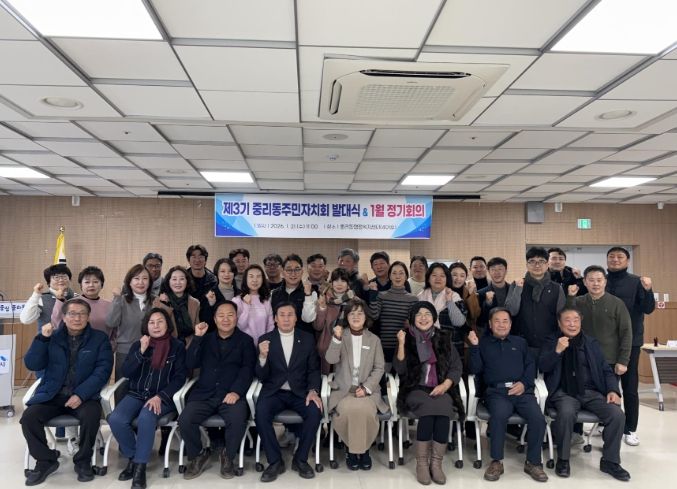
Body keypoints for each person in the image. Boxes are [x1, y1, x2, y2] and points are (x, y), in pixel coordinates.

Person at [21, 298, 113, 486]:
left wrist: (81, 394)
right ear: (63, 317)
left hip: (84, 397)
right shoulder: (51, 337)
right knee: (29, 417)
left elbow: (102, 372)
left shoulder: (99, 339)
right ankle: (45, 460)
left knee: (92, 415)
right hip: (53, 395)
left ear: (88, 317)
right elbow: (32, 364)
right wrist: (42, 339)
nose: (77, 318)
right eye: (72, 314)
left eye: (82, 314)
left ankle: (83, 461)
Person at [539, 308, 630, 481]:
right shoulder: (551, 341)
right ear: (559, 323)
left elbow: (605, 369)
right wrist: (557, 350)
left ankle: (610, 461)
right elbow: (543, 366)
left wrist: (613, 390)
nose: (572, 324)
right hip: (564, 392)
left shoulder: (590, 342)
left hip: (590, 391)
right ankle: (563, 459)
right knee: (566, 413)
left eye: (576, 320)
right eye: (567, 320)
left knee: (617, 414)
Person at [108, 308, 187, 489]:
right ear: (146, 326)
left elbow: (180, 378)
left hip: (162, 397)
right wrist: (141, 352)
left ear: (167, 324)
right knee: (115, 419)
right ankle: (134, 458)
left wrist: (160, 396)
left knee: (146, 416)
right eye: (152, 322)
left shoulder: (177, 346)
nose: (156, 326)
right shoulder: (138, 345)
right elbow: (126, 372)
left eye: (160, 322)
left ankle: (139, 470)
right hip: (136, 393)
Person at [468, 307, 548, 483]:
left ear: (511, 324)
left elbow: (530, 366)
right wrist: (474, 347)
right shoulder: (483, 343)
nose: (501, 325)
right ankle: (496, 462)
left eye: (505, 321)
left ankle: (533, 462)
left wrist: (524, 384)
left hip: (522, 391)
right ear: (490, 324)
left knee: (538, 419)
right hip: (496, 392)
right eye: (497, 321)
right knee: (499, 416)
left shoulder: (520, 343)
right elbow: (475, 369)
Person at [178, 301, 256, 480]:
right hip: (204, 393)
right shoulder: (205, 339)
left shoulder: (246, 341)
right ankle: (198, 455)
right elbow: (190, 363)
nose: (225, 319)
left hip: (231, 394)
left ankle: (228, 456)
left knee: (237, 420)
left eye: (230, 315)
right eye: (221, 315)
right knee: (185, 420)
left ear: (237, 318)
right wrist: (197, 338)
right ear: (214, 319)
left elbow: (247, 370)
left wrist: (236, 392)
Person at [393, 301, 462, 485]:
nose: (423, 318)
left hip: (440, 387)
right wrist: (401, 344)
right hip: (415, 388)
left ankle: (436, 464)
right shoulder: (406, 337)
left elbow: (456, 367)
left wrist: (446, 385)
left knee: (444, 408)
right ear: (412, 319)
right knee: (429, 411)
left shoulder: (444, 338)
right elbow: (400, 369)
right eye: (419, 314)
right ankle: (422, 463)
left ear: (434, 318)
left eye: (427, 314)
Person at [255, 303, 323, 482]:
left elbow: (314, 369)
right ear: (275, 319)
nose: (286, 318)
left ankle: (300, 459)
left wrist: (313, 391)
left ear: (296, 318)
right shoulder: (265, 339)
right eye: (282, 315)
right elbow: (261, 375)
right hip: (274, 392)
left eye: (290, 315)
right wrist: (262, 357)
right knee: (260, 413)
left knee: (315, 411)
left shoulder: (307, 339)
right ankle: (275, 461)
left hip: (300, 392)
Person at [325, 298, 386, 470]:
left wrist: (366, 388)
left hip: (367, 391)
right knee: (348, 410)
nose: (356, 317)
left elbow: (379, 368)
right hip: (344, 391)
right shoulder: (340, 336)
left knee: (365, 410)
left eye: (360, 313)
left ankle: (364, 450)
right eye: (352, 313)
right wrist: (336, 339)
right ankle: (351, 450)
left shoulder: (374, 340)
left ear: (366, 317)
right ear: (346, 317)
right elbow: (331, 359)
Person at [605, 246, 655, 446]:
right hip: (604, 343)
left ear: (627, 260)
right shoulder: (601, 280)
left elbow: (648, 309)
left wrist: (648, 290)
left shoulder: (637, 282)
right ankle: (606, 423)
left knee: (630, 387)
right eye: (611, 256)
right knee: (604, 385)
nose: (615, 260)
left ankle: (630, 429)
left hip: (630, 343)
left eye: (620, 257)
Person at [566, 266, 632, 376]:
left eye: (599, 280)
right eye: (591, 280)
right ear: (585, 282)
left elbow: (626, 332)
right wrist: (570, 298)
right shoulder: (578, 301)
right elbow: (567, 321)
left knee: (610, 387)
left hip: (609, 360)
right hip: (583, 358)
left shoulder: (617, 303)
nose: (595, 284)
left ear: (605, 282)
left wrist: (623, 361)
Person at [513, 247, 565, 358]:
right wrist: (518, 289)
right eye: (532, 261)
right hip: (522, 343)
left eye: (541, 261)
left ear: (547, 264)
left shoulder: (556, 288)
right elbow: (511, 311)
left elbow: (562, 316)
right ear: (527, 264)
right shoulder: (517, 284)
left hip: (549, 343)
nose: (537, 265)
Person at [107, 264, 154, 380]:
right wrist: (117, 298)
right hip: (125, 352)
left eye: (145, 278)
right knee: (123, 386)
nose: (141, 282)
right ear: (129, 282)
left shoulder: (156, 301)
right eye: (136, 278)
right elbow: (111, 322)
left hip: (151, 351)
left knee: (147, 385)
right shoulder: (121, 300)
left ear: (149, 282)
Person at [367, 261, 418, 367]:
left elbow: (413, 324)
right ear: (389, 276)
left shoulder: (413, 299)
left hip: (404, 346)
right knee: (386, 375)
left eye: (401, 273)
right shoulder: (382, 296)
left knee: (402, 375)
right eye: (394, 273)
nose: (397, 276)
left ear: (406, 276)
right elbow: (374, 315)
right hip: (384, 346)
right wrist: (373, 293)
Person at [314, 268, 355, 374]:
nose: (339, 284)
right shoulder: (323, 299)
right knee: (326, 379)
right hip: (326, 347)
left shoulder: (355, 302)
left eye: (343, 280)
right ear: (331, 283)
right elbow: (318, 326)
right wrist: (322, 308)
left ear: (348, 284)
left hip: (348, 348)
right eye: (336, 280)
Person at [52, 266, 111, 335]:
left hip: (104, 341)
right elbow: (57, 322)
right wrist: (59, 300)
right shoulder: (71, 303)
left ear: (101, 284)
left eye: (95, 282)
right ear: (81, 285)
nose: (91, 285)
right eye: (87, 282)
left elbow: (114, 330)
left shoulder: (109, 305)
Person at [21, 263, 76, 333]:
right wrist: (36, 295)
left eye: (64, 276)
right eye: (56, 277)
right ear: (49, 282)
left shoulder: (76, 297)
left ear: (70, 279)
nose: (61, 280)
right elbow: (26, 320)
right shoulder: (41, 298)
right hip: (49, 338)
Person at [270, 254, 318, 335]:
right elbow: (270, 320)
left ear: (302, 271)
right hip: (279, 338)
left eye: (297, 269)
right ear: (282, 272)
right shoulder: (273, 294)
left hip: (303, 338)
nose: (293, 273)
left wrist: (308, 295)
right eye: (289, 270)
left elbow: (308, 319)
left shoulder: (312, 293)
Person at [153, 266, 200, 344]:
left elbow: (197, 328)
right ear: (168, 281)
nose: (178, 282)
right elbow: (159, 326)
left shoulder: (195, 303)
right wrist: (165, 304)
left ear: (187, 281)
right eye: (174, 279)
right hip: (168, 345)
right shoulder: (159, 301)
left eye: (182, 279)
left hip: (189, 344)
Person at [477, 257, 522, 336]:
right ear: (488, 271)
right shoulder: (481, 293)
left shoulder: (515, 290)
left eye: (500, 269)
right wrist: (488, 303)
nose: (497, 272)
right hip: (490, 336)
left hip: (513, 334)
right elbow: (481, 320)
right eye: (493, 269)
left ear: (506, 271)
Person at [232, 264, 274, 344]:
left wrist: (266, 342)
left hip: (263, 345)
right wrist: (247, 306)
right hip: (243, 345)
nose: (255, 280)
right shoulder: (237, 300)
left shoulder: (266, 301)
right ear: (245, 279)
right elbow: (239, 326)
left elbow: (270, 325)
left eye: (258, 276)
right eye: (251, 276)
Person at [449, 262, 480, 357]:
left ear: (466, 277)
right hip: (447, 335)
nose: (458, 279)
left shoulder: (468, 292)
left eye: (462, 276)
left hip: (465, 336)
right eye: (454, 275)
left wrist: (471, 295)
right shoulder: (444, 292)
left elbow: (475, 314)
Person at [201, 257, 239, 329]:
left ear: (234, 273)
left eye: (230, 271)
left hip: (237, 334)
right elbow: (205, 322)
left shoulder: (241, 294)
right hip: (216, 334)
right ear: (217, 273)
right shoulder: (209, 294)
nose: (226, 274)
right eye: (222, 271)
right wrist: (211, 305)